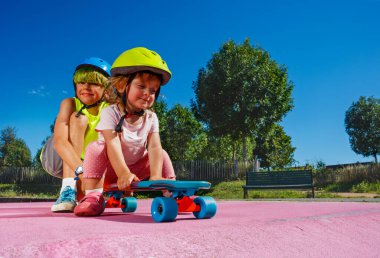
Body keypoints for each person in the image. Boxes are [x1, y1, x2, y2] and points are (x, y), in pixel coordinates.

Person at [74, 47, 176, 217]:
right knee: (96, 147)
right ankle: (92, 195)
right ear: (122, 86)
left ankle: (173, 194)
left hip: (136, 167)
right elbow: (112, 144)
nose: (147, 94)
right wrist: (123, 173)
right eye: (141, 86)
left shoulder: (151, 117)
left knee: (162, 153)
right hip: (109, 170)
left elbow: (154, 147)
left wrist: (156, 175)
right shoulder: (110, 113)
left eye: (153, 90)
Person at [40, 57, 111, 212]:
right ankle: (67, 190)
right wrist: (82, 173)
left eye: (93, 82)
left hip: (85, 162)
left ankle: (80, 193)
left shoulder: (110, 108)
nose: (86, 87)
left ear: (106, 88)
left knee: (84, 197)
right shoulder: (70, 103)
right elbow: (60, 142)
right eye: (81, 82)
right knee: (78, 118)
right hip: (56, 157)